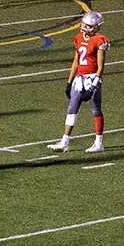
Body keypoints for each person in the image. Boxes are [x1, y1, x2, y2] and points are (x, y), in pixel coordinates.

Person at [52, 10, 108, 153]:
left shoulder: (100, 40)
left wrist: (93, 86)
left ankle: (98, 142)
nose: (86, 28)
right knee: (72, 108)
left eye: (90, 26)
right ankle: (65, 142)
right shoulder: (78, 38)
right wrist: (69, 82)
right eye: (85, 25)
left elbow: (101, 67)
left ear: (97, 27)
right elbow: (75, 63)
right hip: (79, 78)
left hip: (92, 78)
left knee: (96, 109)